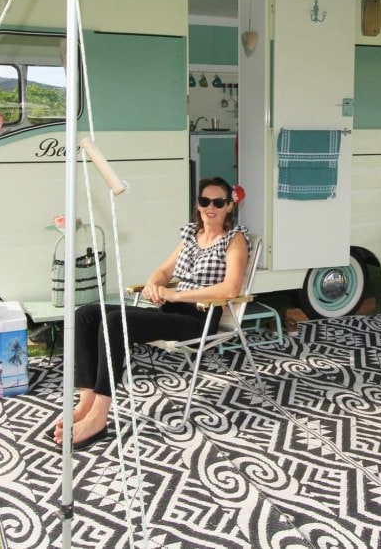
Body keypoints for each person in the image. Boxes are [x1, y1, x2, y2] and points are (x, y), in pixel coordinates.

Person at [53, 177, 249, 450]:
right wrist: (154, 283)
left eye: (218, 202)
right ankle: (85, 403)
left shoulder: (234, 239)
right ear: (198, 204)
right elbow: (164, 271)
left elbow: (231, 288)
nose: (210, 207)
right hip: (169, 311)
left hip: (198, 319)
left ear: (229, 206)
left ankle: (99, 417)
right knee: (85, 314)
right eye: (205, 201)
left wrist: (175, 294)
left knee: (114, 322)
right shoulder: (191, 235)